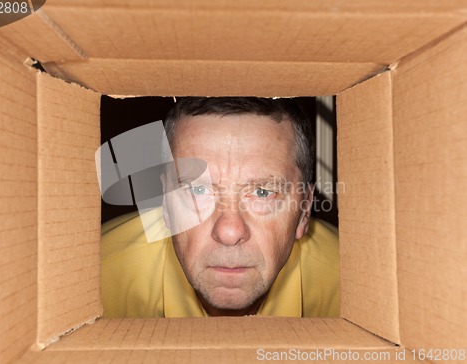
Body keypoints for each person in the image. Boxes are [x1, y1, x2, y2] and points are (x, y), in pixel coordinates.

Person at [101, 97, 339, 318]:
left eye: (263, 192)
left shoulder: (354, 285)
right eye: (198, 190)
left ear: (305, 209)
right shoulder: (95, 278)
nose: (229, 232)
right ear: (165, 203)